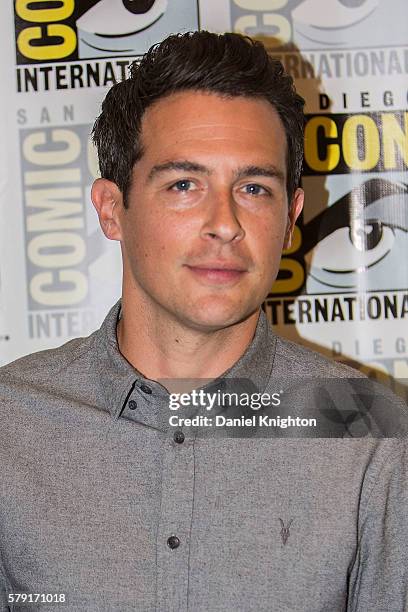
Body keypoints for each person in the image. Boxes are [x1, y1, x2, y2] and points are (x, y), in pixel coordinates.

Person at [0, 31, 407, 612]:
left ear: (291, 218)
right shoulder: (9, 428)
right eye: (184, 185)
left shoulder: (371, 437)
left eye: (253, 187)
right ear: (112, 209)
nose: (225, 223)